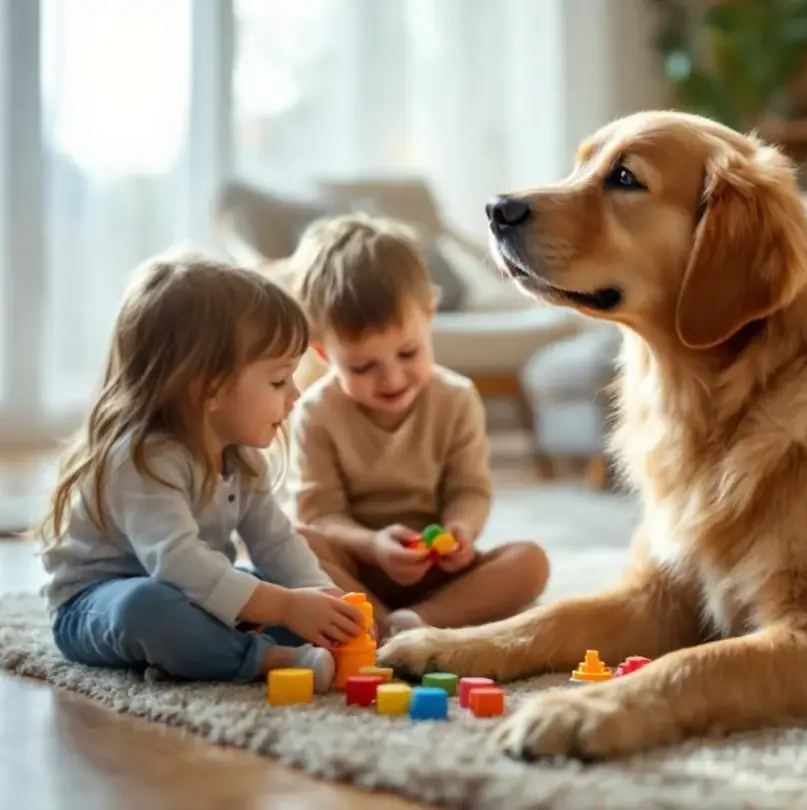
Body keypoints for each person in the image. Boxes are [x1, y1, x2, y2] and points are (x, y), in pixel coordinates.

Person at [39, 251, 361, 692]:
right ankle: (265, 659)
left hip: (190, 590)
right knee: (149, 608)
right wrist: (286, 608)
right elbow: (178, 564)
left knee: (270, 592)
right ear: (209, 388)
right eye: (278, 380)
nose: (296, 394)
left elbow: (275, 540)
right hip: (97, 602)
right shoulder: (142, 460)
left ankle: (203, 651)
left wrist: (320, 597)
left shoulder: (241, 456)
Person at [287, 213, 550, 637]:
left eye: (408, 353)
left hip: (438, 569)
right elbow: (319, 515)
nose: (391, 378)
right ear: (323, 353)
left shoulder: (456, 397)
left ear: (429, 316)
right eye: (362, 366)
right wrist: (371, 546)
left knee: (530, 562)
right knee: (294, 543)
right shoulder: (318, 412)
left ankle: (418, 621)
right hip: (357, 569)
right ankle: (372, 617)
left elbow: (469, 490)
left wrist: (459, 531)